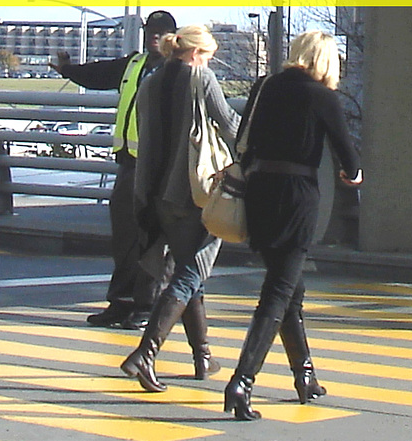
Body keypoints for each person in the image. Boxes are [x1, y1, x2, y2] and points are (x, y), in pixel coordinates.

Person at [223, 30, 364, 420]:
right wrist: (353, 174)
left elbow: (242, 138)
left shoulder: (264, 86)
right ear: (325, 61)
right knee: (278, 291)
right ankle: (242, 381)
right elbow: (348, 157)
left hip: (259, 193)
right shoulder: (322, 96)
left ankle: (305, 376)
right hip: (297, 198)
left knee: (290, 289)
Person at [120, 24, 241, 391]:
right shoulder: (200, 79)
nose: (209, 62)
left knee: (190, 270)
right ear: (195, 54)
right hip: (194, 191)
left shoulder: (150, 83)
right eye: (208, 56)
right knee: (192, 272)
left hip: (156, 192)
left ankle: (202, 356)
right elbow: (230, 125)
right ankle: (145, 353)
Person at [49, 11, 177, 330]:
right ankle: (120, 302)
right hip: (129, 163)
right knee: (124, 237)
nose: (154, 37)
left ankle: (147, 305)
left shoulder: (178, 70)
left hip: (158, 168)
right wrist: (67, 70)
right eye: (151, 31)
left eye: (161, 32)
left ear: (174, 36)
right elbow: (99, 74)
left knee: (152, 240)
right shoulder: (133, 64)